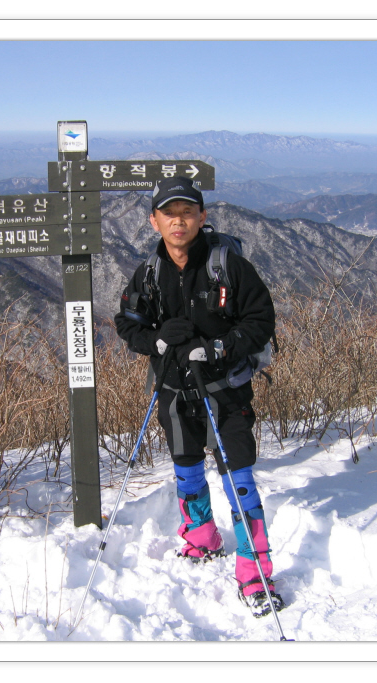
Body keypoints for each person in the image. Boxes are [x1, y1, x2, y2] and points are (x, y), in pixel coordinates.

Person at [114, 176, 284, 617]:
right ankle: (201, 538)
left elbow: (261, 319)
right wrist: (156, 340)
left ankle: (255, 571)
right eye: (169, 213)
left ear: (202, 217)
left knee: (238, 478)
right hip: (173, 390)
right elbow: (127, 323)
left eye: (187, 212)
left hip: (225, 389)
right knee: (186, 468)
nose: (179, 220)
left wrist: (218, 348)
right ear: (154, 221)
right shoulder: (148, 273)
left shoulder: (228, 266)